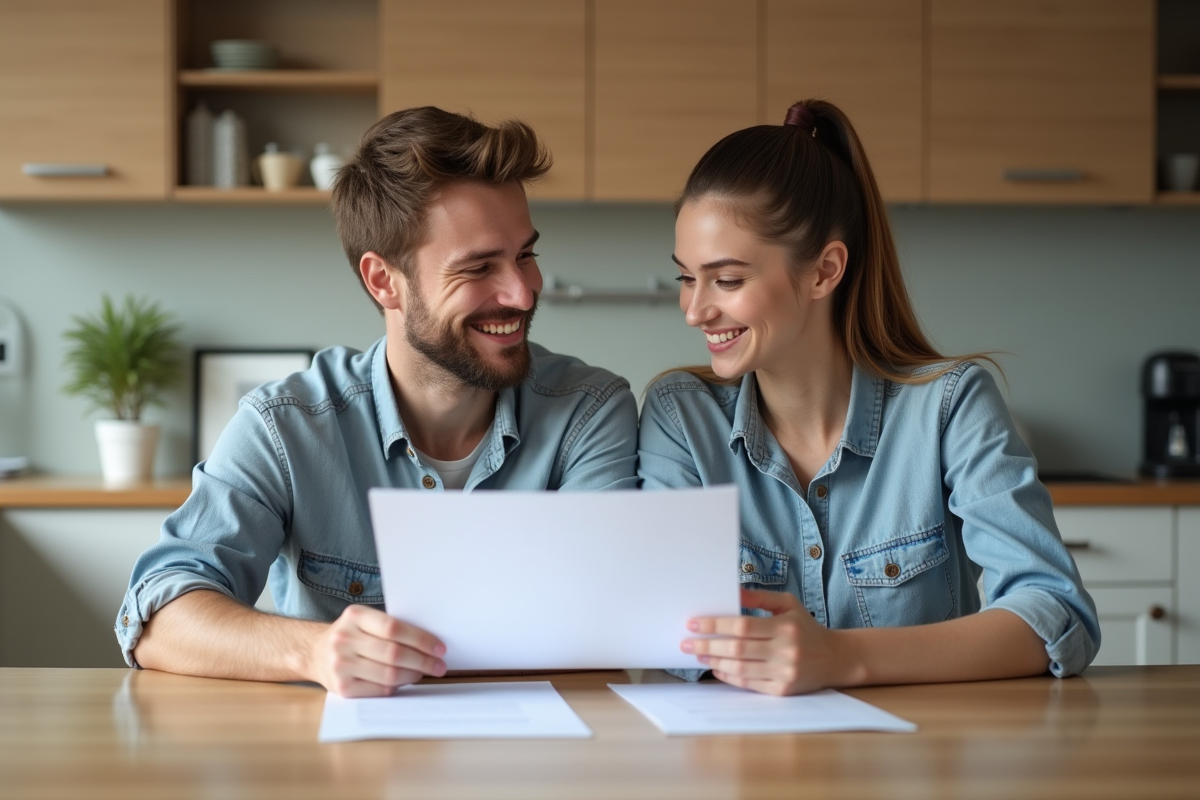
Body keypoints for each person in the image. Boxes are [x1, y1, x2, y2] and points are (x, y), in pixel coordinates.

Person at [118, 107, 639, 697]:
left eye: (526, 255)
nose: (522, 292)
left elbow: (608, 625)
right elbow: (158, 617)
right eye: (478, 267)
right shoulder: (287, 426)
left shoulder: (589, 413)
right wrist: (314, 651)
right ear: (383, 280)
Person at [638, 100, 1099, 696]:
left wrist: (840, 657)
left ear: (824, 271)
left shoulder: (951, 406)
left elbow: (1055, 615)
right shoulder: (680, 416)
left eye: (727, 280)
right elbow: (660, 625)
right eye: (685, 276)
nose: (694, 309)